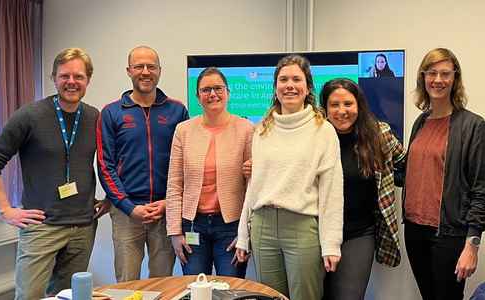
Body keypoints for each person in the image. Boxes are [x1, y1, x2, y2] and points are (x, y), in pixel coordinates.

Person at [0, 48, 105, 300]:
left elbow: (109, 163)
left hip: (83, 226)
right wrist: (6, 210)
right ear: (54, 78)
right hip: (41, 227)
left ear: (88, 80)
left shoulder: (94, 116)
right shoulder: (30, 115)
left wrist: (111, 200)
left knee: (70, 296)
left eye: (78, 76)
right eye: (64, 76)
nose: (71, 82)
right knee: (30, 296)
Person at [234, 54, 343, 299]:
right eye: (283, 79)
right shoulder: (263, 128)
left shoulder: (323, 130)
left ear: (307, 87)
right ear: (275, 87)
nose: (290, 85)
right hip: (262, 227)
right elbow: (254, 185)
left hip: (302, 227)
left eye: (296, 79)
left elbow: (331, 192)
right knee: (269, 297)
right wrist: (243, 236)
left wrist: (331, 244)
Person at [395, 48, 485, 300]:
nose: (438, 80)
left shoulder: (473, 126)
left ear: (455, 79)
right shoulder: (421, 121)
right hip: (415, 230)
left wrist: (472, 243)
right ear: (423, 77)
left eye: (445, 74)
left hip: (449, 235)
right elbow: (412, 172)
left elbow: (480, 189)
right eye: (432, 73)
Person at [96, 45, 188, 282]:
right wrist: (128, 206)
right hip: (127, 213)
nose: (145, 72)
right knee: (127, 283)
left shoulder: (177, 111)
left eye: (151, 66)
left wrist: (169, 203)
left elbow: (187, 164)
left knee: (162, 282)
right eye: (139, 66)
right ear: (129, 71)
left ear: (160, 71)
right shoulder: (111, 112)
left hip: (165, 212)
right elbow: (105, 165)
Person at [318, 78, 405, 300]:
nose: (342, 111)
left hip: (359, 233)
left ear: (359, 105)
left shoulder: (379, 135)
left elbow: (407, 164)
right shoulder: (313, 138)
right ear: (324, 109)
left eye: (348, 104)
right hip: (315, 232)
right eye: (334, 105)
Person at [165, 67, 253, 277]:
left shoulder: (247, 129)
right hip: (193, 226)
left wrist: (246, 232)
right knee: (195, 289)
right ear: (198, 96)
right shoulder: (183, 131)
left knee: (230, 289)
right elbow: (175, 184)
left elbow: (253, 185)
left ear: (228, 93)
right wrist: (175, 232)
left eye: (218, 88)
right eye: (206, 90)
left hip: (231, 227)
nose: (212, 94)